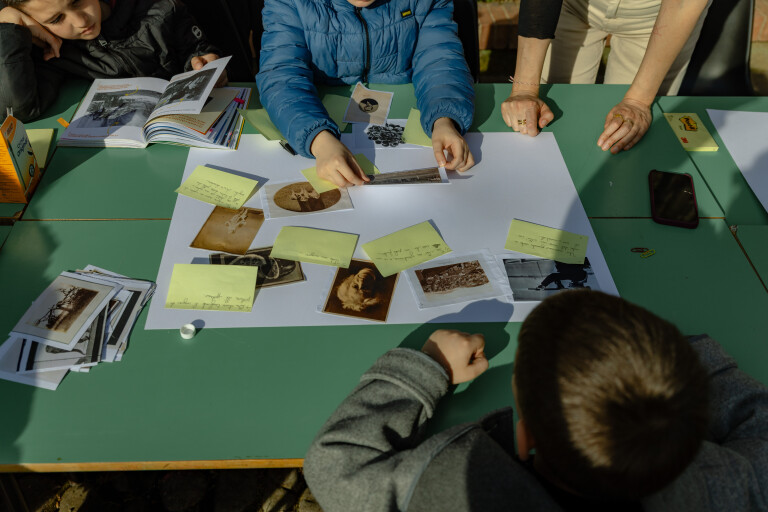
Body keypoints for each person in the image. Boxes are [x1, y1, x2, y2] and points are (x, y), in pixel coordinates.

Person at [304, 290, 768, 511]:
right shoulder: (719, 486)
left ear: (524, 438)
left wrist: (428, 367)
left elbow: (333, 465)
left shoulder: (450, 488)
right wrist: (673, 360)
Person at [256, 0, 476, 189]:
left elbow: (440, 58)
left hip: (409, 116)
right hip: (314, 116)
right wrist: (318, 140)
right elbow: (281, 76)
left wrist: (444, 118)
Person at [501, 0, 711, 154]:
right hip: (573, 6)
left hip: (659, 16)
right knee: (550, 122)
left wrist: (638, 102)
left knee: (626, 138)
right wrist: (524, 89)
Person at [0, 0, 227, 122]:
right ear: (34, 23)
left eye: (77, 1)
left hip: (193, 125)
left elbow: (197, 50)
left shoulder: (160, 7)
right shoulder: (50, 52)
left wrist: (206, 63)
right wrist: (9, 26)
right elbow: (17, 110)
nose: (80, 21)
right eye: (57, 19)